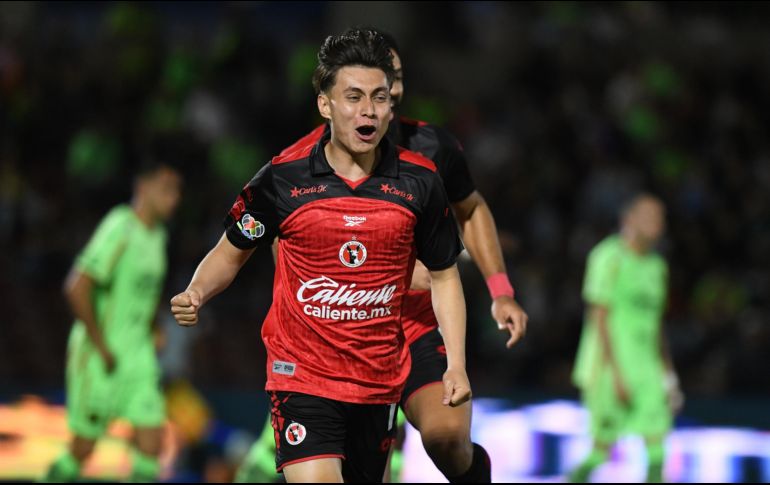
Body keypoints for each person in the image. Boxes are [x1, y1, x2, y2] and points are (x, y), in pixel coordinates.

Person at [170, 29, 470, 483]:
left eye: (379, 97)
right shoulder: (282, 180)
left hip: (377, 383)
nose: (368, 110)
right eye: (353, 97)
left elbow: (445, 276)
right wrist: (196, 291)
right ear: (325, 105)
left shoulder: (420, 183)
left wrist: (457, 365)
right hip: (301, 378)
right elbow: (229, 253)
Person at [240, 28, 529, 483]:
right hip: (340, 336)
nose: (384, 91)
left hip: (415, 327)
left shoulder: (433, 150)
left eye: (391, 79)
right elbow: (283, 244)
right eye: (364, 87)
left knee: (447, 438)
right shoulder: (301, 163)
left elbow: (471, 210)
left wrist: (501, 290)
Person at [42, 160, 183, 482]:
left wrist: (154, 327)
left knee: (152, 445)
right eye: (166, 189)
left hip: (139, 357)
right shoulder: (120, 227)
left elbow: (146, 292)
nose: (174, 198)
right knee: (82, 449)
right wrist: (101, 345)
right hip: (101, 357)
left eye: (177, 191)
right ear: (143, 188)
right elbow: (76, 287)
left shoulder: (159, 236)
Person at [569, 194, 683, 483]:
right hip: (609, 367)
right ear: (629, 219)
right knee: (601, 451)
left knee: (657, 448)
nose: (657, 223)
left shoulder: (657, 266)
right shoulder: (607, 257)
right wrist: (615, 374)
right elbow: (598, 317)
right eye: (649, 216)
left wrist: (668, 374)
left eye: (660, 217)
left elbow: (657, 324)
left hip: (648, 368)